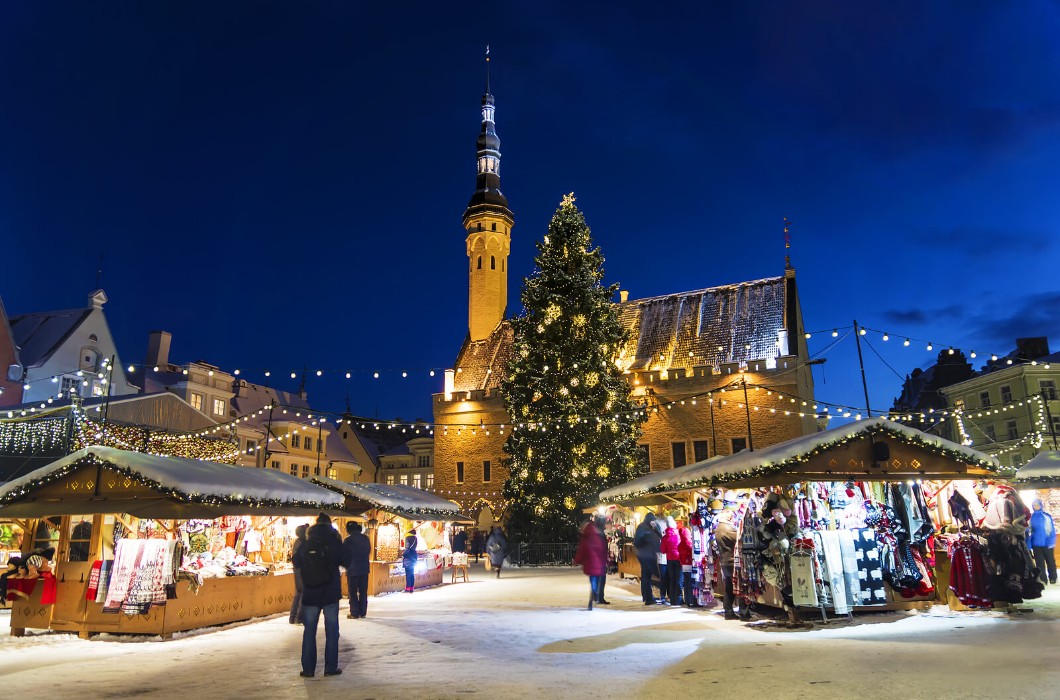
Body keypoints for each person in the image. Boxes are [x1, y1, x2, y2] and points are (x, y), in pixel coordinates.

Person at [294, 513, 348, 678]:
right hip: (330, 593)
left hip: (310, 593)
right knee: (332, 631)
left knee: (309, 631)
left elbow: (296, 562)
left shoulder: (306, 543)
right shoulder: (335, 542)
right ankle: (330, 668)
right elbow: (347, 561)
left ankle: (308, 669)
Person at [573, 517, 608, 610]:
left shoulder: (586, 537)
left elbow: (581, 550)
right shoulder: (599, 536)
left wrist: (577, 560)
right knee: (597, 579)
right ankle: (595, 594)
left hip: (590, 562)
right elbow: (603, 550)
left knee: (593, 579)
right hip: (599, 562)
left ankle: (594, 594)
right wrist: (606, 561)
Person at [714, 509, 742, 620]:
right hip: (732, 561)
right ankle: (743, 612)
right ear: (729, 518)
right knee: (739, 586)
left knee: (729, 587)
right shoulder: (727, 529)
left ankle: (728, 611)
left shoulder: (719, 528)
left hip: (725, 561)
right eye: (732, 517)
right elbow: (740, 539)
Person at [342, 521, 372, 618]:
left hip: (352, 570)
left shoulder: (347, 540)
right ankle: (362, 612)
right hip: (364, 569)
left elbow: (344, 554)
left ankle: (354, 612)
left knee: (353, 592)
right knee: (363, 592)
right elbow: (368, 551)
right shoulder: (365, 538)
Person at [633, 512, 662, 605]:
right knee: (647, 575)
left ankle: (647, 596)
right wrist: (647, 540)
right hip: (645, 555)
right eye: (653, 520)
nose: (654, 522)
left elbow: (660, 535)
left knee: (646, 575)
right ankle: (648, 597)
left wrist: (655, 527)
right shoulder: (643, 528)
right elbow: (637, 541)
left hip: (647, 554)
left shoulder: (648, 527)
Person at [1027, 499, 1057, 585]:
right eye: (1034, 505)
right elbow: (1029, 532)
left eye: (1037, 505)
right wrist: (1029, 545)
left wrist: (1051, 541)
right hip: (1036, 544)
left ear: (1041, 505)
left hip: (1047, 544)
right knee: (1039, 563)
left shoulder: (1046, 516)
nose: (1036, 507)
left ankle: (1053, 577)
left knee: (1050, 561)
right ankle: (1043, 578)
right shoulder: (1031, 517)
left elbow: (1051, 530)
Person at [289, 524, 308, 624]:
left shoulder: (298, 542)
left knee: (298, 593)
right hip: (302, 571)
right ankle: (299, 617)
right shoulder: (302, 543)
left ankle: (293, 617)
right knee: (304, 594)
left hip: (298, 570)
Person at [661, 516, 681, 605]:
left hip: (669, 560)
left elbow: (663, 550)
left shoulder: (665, 537)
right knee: (679, 579)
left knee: (672, 579)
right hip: (678, 559)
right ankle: (679, 599)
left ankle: (672, 599)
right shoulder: (678, 535)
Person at [678, 522, 695, 607]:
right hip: (689, 564)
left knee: (686, 583)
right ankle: (691, 600)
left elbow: (680, 556)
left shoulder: (680, 543)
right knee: (690, 583)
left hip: (684, 565)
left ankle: (687, 600)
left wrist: (681, 563)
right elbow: (691, 554)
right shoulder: (688, 543)